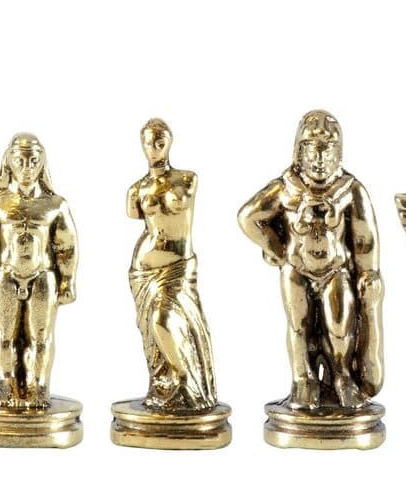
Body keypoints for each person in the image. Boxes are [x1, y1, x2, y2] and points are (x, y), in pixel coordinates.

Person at [238, 110, 383, 410]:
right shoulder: (286, 188)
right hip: (297, 270)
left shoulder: (349, 190)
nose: (319, 160)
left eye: (326, 151)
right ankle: (303, 381)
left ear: (337, 153)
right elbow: (248, 217)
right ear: (299, 153)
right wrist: (276, 248)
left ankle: (342, 376)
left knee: (340, 326)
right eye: (312, 151)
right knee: (299, 327)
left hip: (336, 271)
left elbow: (365, 237)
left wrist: (369, 273)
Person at [0, 134, 78, 409]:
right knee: (4, 334)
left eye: (33, 160)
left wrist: (68, 281)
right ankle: (5, 385)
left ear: (42, 163)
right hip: (6, 275)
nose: (27, 167)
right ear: (9, 162)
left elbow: (66, 246)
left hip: (43, 275)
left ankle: (38, 386)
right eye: (20, 161)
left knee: (40, 337)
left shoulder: (55, 205)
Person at [127, 118, 218, 411]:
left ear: (169, 142)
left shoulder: (187, 178)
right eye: (149, 142)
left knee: (164, 320)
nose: (154, 148)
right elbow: (137, 218)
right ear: (142, 145)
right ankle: (165, 383)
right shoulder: (137, 189)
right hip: (145, 270)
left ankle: (186, 381)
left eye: (160, 142)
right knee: (152, 332)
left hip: (179, 266)